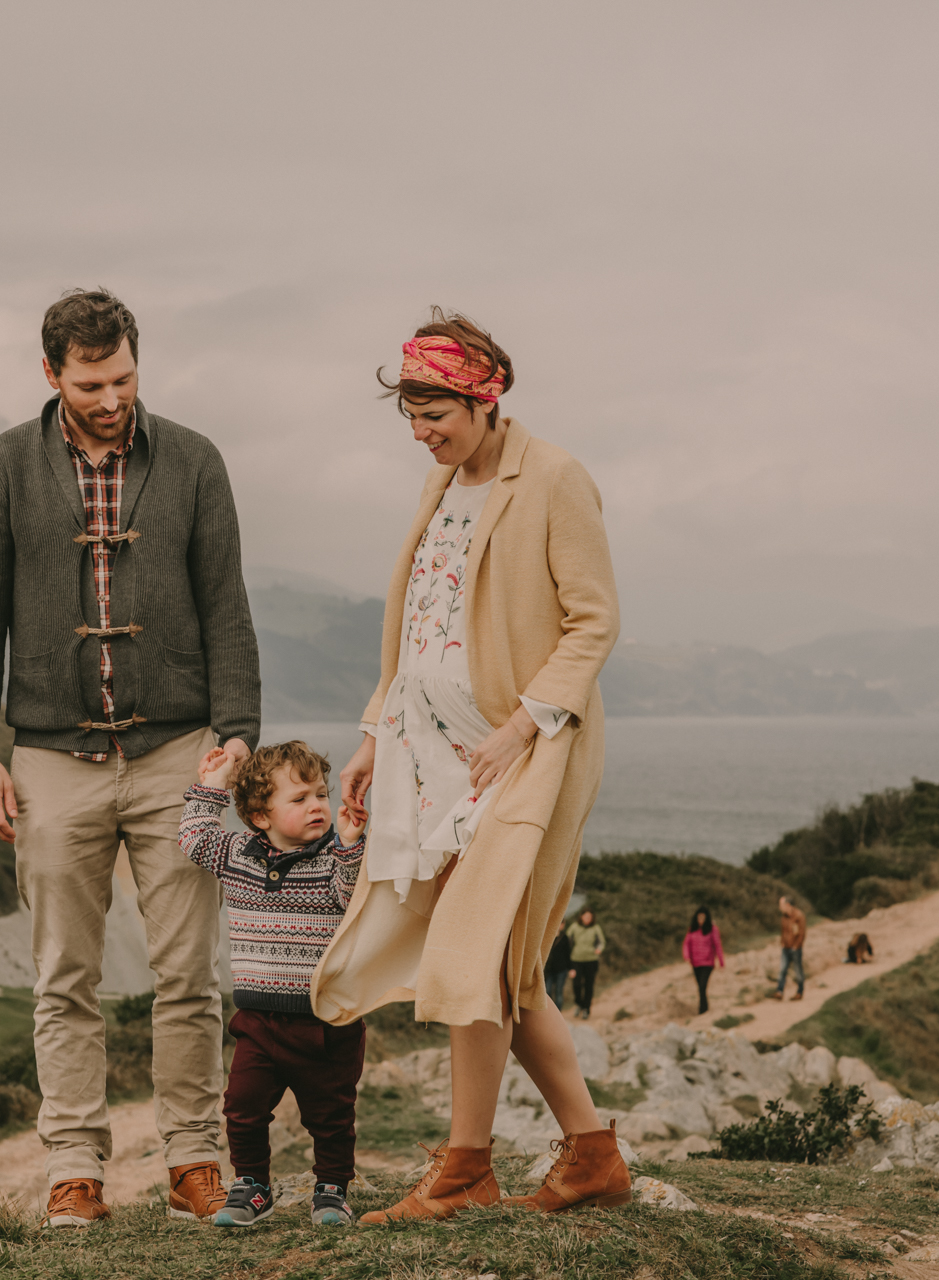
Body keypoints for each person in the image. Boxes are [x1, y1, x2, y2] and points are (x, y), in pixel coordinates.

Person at [0, 288, 262, 1229]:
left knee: (189, 972)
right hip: (50, 755)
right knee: (64, 975)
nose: (112, 397)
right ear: (52, 374)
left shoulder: (196, 460)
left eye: (124, 376)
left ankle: (195, 1163)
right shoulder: (2, 467)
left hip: (179, 752)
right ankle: (74, 1170)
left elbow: (228, 608)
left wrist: (237, 734)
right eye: (91, 383)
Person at [311, 309, 628, 1223]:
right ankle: (583, 1153)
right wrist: (376, 731)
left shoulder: (555, 478)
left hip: (517, 755)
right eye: (409, 416)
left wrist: (523, 726)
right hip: (429, 753)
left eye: (434, 412)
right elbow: (418, 620)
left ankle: (468, 1166)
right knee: (494, 967)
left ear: (484, 396)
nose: (421, 434)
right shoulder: (442, 480)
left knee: (477, 953)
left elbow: (594, 620)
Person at [179, 740, 368, 1228]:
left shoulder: (332, 858)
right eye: (300, 798)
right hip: (259, 1021)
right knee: (242, 1107)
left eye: (321, 795)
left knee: (331, 1115)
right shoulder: (237, 856)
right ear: (260, 817)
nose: (317, 806)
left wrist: (349, 844)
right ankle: (251, 1186)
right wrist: (213, 783)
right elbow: (195, 836)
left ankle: (331, 1190)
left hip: (328, 1021)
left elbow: (351, 899)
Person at [681, 907, 724, 1015]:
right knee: (700, 987)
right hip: (695, 963)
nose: (701, 920)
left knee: (702, 986)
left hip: (707, 963)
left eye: (703, 917)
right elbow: (686, 944)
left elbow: (717, 945)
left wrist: (721, 961)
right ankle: (704, 1008)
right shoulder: (692, 929)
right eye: (699, 917)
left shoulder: (712, 929)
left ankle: (703, 1010)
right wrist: (686, 956)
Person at [564, 910, 605, 1020]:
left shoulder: (595, 928)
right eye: (586, 917)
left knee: (589, 985)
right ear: (581, 917)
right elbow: (566, 941)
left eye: (590, 917)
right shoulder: (574, 927)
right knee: (576, 984)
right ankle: (578, 1004)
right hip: (576, 960)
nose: (588, 919)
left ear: (592, 918)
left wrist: (599, 949)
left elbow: (601, 942)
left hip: (591, 960)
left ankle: (586, 1008)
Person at [774, 896, 807, 1001]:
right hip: (786, 947)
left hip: (795, 948)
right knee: (782, 969)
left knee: (798, 970)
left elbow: (801, 933)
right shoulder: (784, 917)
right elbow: (783, 931)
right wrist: (783, 943)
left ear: (787, 905)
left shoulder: (799, 916)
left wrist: (796, 946)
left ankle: (800, 992)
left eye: (781, 905)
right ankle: (779, 991)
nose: (780, 908)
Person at [544, 921, 574, 1010]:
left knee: (558, 992)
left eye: (562, 923)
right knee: (547, 991)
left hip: (561, 969)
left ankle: (558, 1012)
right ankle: (548, 1012)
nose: (560, 925)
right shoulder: (547, 936)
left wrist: (570, 968)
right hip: (549, 970)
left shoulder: (564, 938)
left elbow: (568, 954)